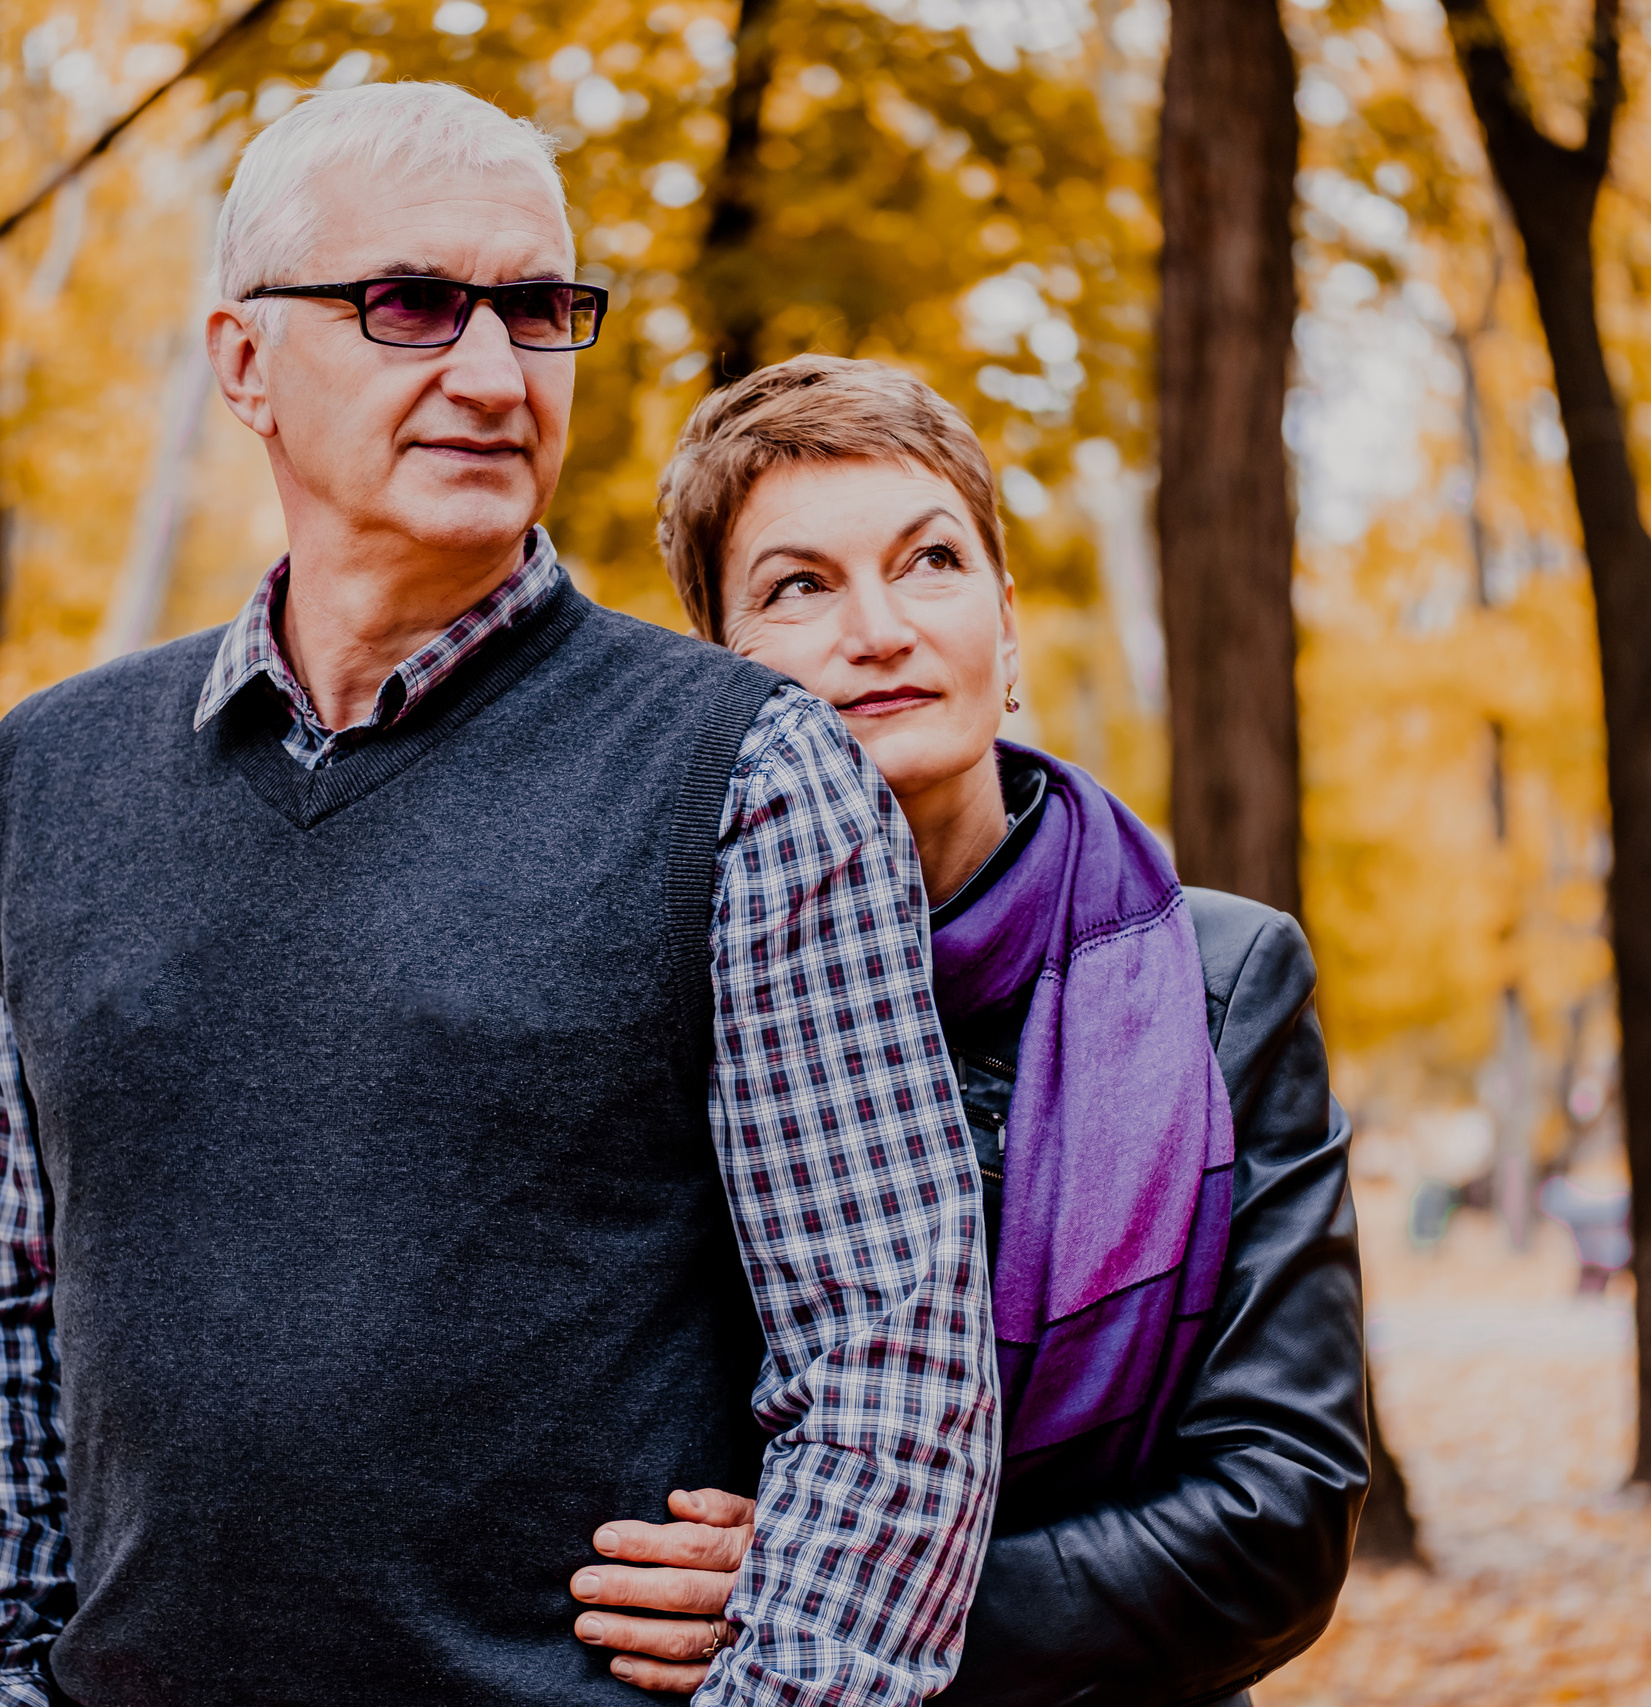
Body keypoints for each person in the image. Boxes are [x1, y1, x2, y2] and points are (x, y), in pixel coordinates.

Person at [0, 91, 1000, 1707]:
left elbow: (892, 1357)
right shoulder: (48, 782)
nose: (491, 373)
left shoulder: (746, 773)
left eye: (540, 312)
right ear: (245, 361)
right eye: (408, 305)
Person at [565, 356, 1370, 1704]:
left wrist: (843, 1593)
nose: (877, 629)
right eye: (798, 586)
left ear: (1006, 626)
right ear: (717, 673)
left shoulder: (1224, 982)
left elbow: (1278, 1518)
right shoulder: (638, 998)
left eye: (928, 562)